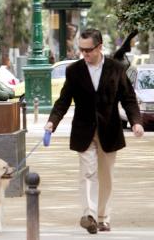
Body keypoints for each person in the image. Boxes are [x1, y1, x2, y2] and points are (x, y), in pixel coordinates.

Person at [44, 28, 144, 234]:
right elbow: (63, 101)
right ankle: (88, 215)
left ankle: (103, 218)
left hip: (110, 130)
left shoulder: (116, 69)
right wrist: (52, 122)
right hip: (84, 131)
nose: (84, 54)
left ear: (99, 47)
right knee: (87, 172)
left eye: (88, 50)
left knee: (105, 175)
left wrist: (136, 121)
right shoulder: (74, 71)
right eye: (81, 50)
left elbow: (129, 98)